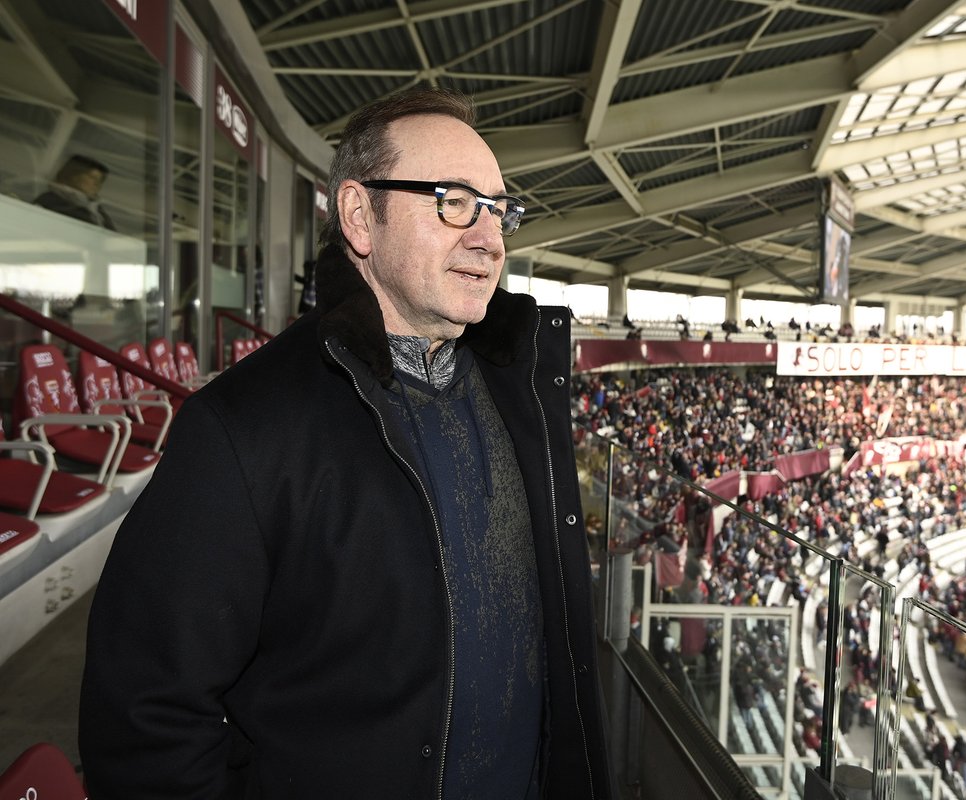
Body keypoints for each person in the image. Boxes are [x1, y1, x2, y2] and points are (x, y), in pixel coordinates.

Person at [79, 88, 612, 798]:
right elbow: (145, 718)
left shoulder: (523, 396)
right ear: (361, 217)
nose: (490, 238)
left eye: (498, 210)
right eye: (454, 201)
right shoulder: (243, 429)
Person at [33, 154, 117, 230]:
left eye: (100, 181)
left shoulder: (98, 211)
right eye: (92, 177)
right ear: (74, 176)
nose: (97, 184)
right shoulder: (51, 201)